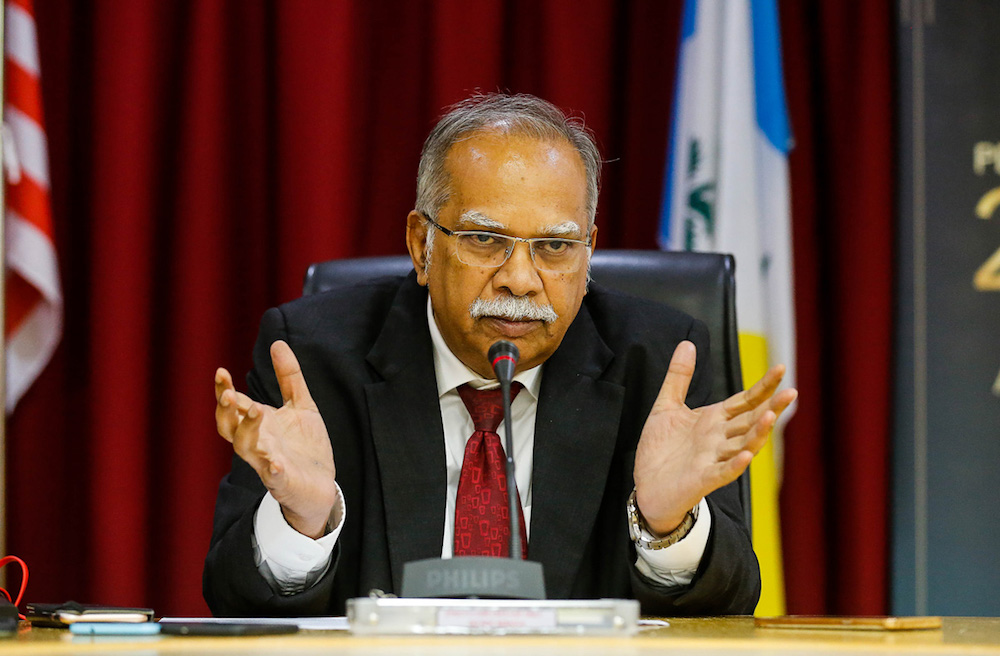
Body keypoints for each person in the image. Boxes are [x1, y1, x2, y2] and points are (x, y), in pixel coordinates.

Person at [204, 93, 796, 617]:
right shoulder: (315, 356)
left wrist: (668, 528)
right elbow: (232, 600)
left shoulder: (659, 362)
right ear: (421, 244)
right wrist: (302, 523)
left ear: (587, 253)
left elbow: (730, 606)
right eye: (486, 239)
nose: (520, 279)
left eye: (555, 246)